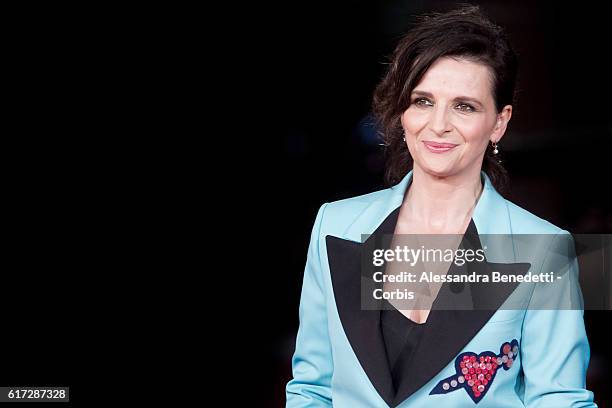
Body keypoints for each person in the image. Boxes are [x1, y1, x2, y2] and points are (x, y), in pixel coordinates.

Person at [285, 5, 597, 407]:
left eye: (464, 106)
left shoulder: (545, 249)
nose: (438, 124)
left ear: (499, 122)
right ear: (403, 110)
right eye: (423, 101)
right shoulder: (336, 224)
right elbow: (312, 388)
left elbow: (559, 400)